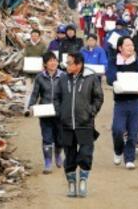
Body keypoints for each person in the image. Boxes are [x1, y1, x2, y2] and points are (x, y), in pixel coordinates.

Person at [58, 52, 104, 197]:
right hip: (66, 124)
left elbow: (99, 97)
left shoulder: (91, 78)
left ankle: (83, 180)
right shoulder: (63, 78)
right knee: (69, 156)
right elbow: (56, 97)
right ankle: (71, 184)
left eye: (70, 63)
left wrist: (91, 112)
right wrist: (61, 112)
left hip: (85, 124)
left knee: (85, 154)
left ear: (79, 64)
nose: (67, 65)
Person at [106, 36, 138, 170]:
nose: (131, 48)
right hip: (121, 102)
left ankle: (129, 159)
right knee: (118, 130)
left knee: (133, 132)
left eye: (132, 45)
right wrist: (115, 83)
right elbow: (110, 76)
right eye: (127, 45)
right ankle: (118, 151)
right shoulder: (114, 61)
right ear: (120, 48)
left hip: (135, 101)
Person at [26, 52, 65, 174]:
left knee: (60, 138)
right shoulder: (40, 77)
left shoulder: (63, 76)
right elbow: (35, 94)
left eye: (55, 60)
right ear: (45, 64)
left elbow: (67, 95)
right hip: (45, 111)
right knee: (47, 137)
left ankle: (58, 155)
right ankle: (48, 162)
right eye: (50, 61)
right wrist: (30, 107)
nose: (53, 63)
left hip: (60, 112)